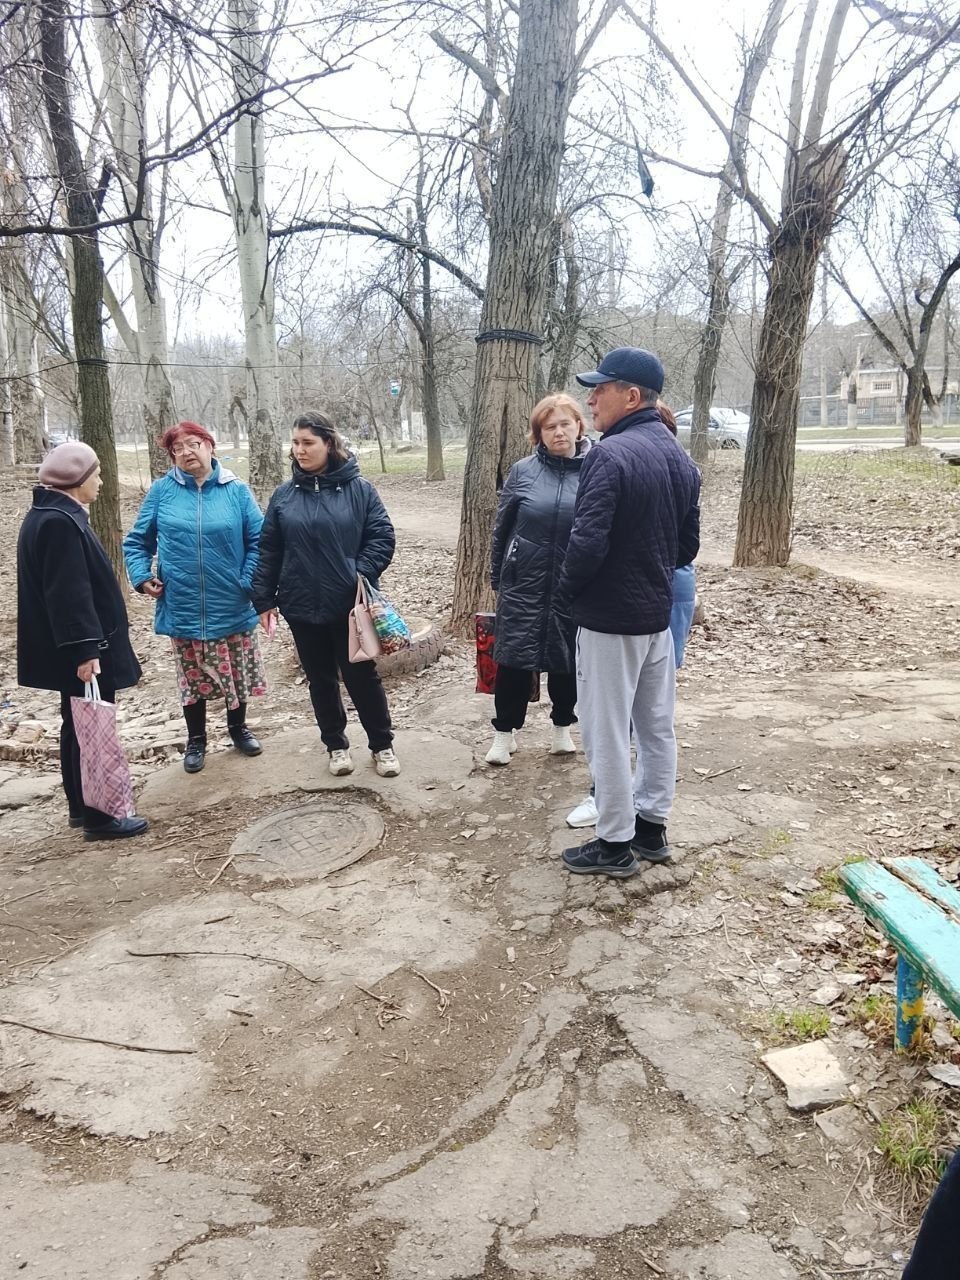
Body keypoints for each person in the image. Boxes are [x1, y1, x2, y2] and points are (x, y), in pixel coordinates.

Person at [557, 347, 701, 877]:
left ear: (632, 396)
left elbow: (586, 543)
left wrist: (565, 594)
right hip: (655, 617)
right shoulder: (680, 459)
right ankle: (652, 829)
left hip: (610, 620)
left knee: (605, 729)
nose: (591, 398)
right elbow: (687, 548)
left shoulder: (609, 456)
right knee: (656, 726)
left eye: (600, 389)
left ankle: (614, 841)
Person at [250, 411, 400, 778]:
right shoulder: (284, 496)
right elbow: (269, 549)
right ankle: (335, 745)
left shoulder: (359, 490)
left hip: (350, 606)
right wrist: (264, 599)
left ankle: (382, 745)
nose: (299, 450)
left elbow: (382, 537)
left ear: (329, 444)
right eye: (296, 443)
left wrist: (356, 573)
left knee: (362, 679)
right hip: (301, 605)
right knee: (320, 680)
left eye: (308, 443)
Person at [17, 442, 149, 840]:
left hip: (73, 648)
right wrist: (85, 649)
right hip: (84, 650)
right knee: (90, 725)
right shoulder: (59, 522)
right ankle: (100, 817)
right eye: (97, 474)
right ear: (77, 479)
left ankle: (81, 805)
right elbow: (68, 594)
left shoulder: (48, 514)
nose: (102, 480)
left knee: (77, 725)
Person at [123, 421, 266, 774]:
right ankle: (196, 740)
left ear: (209, 445)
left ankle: (238, 729)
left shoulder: (236, 490)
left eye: (193, 443)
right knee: (192, 677)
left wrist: (245, 581)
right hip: (183, 603)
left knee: (235, 670)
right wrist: (142, 577)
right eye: (177, 449)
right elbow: (137, 541)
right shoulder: (162, 491)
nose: (186, 452)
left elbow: (259, 542)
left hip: (231, 599)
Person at [485, 394, 589, 765]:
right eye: (549, 427)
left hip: (572, 583)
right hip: (522, 583)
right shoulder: (523, 471)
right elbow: (502, 528)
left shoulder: (597, 469)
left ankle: (562, 727)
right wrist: (498, 575)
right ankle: (504, 733)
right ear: (538, 434)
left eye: (565, 423)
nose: (559, 432)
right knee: (513, 661)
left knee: (568, 661)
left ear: (579, 426)